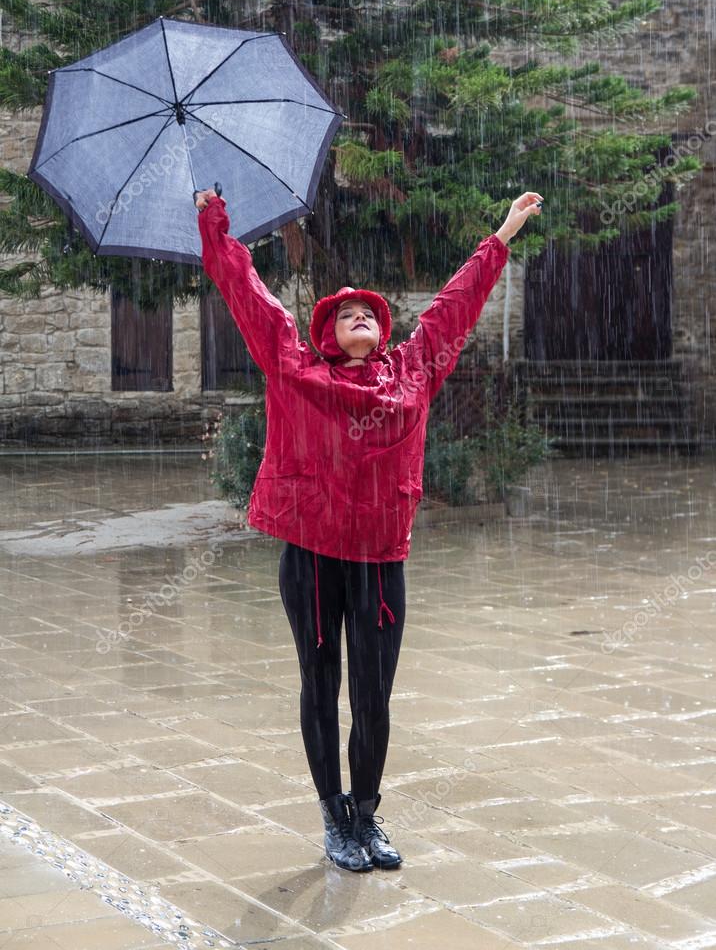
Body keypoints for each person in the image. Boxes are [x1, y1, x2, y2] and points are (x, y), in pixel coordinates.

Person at [196, 187, 542, 872]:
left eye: (369, 314)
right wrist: (215, 223)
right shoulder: (295, 370)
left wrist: (500, 235)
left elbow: (452, 311)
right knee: (320, 682)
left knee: (375, 693)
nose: (359, 318)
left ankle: (366, 813)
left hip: (381, 558)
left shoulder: (413, 371)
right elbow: (248, 294)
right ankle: (332, 816)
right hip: (314, 557)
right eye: (346, 314)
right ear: (327, 335)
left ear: (383, 334)